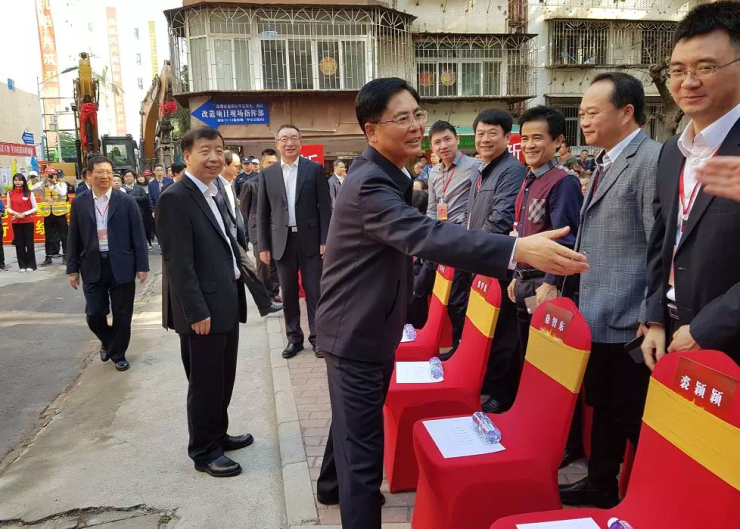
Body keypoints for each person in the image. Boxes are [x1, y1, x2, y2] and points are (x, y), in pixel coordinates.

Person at [314, 77, 589, 529]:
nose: (415, 126)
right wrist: (516, 249)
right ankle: (348, 499)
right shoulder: (369, 183)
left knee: (352, 423)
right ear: (371, 130)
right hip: (355, 333)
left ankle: (329, 485)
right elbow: (426, 235)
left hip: (368, 326)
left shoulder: (390, 174)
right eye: (401, 118)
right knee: (363, 456)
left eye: (417, 115)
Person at [559, 72, 660, 509]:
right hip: (597, 309)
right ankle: (600, 483)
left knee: (631, 412)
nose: (583, 120)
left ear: (626, 111)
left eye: (591, 112)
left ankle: (654, 497)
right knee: (601, 404)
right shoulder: (603, 161)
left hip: (630, 317)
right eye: (581, 113)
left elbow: (658, 244)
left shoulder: (650, 159)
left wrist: (651, 313)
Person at [642, 1, 740, 368]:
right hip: (671, 333)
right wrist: (654, 317)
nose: (688, 82)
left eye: (706, 67)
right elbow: (662, 240)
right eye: (678, 70)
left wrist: (707, 328)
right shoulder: (672, 151)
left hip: (728, 343)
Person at [156, 127, 252, 478]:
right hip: (202, 311)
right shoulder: (175, 198)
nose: (215, 157)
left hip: (225, 300)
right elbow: (178, 264)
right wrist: (196, 311)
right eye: (205, 151)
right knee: (205, 382)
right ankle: (203, 450)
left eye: (219, 150)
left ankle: (218, 434)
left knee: (223, 377)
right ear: (186, 156)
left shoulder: (215, 191)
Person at [508, 106, 583, 352]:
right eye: (525, 138)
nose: (529, 145)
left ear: (558, 141)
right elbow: (522, 231)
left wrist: (551, 283)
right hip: (524, 281)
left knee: (544, 352)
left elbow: (567, 238)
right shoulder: (529, 179)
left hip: (543, 283)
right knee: (525, 348)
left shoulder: (563, 181)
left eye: (537, 138)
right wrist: (516, 275)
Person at [467, 109, 527, 414]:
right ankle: (489, 384)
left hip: (498, 264)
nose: (485, 139)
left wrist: (468, 248)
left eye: (492, 133)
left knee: (503, 333)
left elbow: (501, 219)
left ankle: (503, 395)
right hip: (481, 261)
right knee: (487, 329)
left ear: (507, 137)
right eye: (480, 133)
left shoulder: (511, 171)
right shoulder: (483, 170)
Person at [66, 156, 149, 373]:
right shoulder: (79, 202)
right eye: (100, 172)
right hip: (92, 264)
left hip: (122, 264)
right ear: (89, 175)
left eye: (109, 172)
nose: (105, 176)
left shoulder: (126, 201)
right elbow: (73, 237)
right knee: (94, 314)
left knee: (122, 314)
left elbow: (138, 235)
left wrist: (142, 265)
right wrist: (72, 269)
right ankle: (108, 340)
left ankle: (118, 354)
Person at [257, 124, 332, 359]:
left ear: (300, 142)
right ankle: (294, 338)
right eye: (284, 139)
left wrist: (325, 239)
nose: (289, 143)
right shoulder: (267, 174)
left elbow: (325, 208)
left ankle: (318, 338)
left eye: (294, 138)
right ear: (277, 144)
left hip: (310, 240)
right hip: (282, 241)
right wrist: (263, 245)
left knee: (315, 291)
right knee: (288, 292)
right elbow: (262, 212)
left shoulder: (314, 169)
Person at [425, 120, 482, 353]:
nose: (443, 145)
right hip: (442, 241)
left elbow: (478, 205)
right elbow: (432, 208)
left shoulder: (475, 167)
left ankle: (463, 348)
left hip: (463, 240)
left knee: (459, 297)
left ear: (457, 139)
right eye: (437, 142)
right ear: (431, 147)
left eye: (447, 139)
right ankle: (460, 345)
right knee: (448, 296)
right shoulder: (433, 173)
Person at [217, 149, 282, 317]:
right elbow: (243, 211)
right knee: (256, 267)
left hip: (265, 232)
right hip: (242, 233)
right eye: (236, 166)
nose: (239, 169)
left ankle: (268, 299)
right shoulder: (243, 184)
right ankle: (265, 300)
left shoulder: (229, 184)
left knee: (256, 268)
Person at [240, 150, 282, 303]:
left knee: (275, 262)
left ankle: (274, 291)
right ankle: (265, 295)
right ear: (262, 164)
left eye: (274, 163)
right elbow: (244, 209)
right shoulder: (250, 184)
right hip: (258, 229)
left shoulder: (280, 183)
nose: (272, 165)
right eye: (269, 162)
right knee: (263, 263)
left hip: (276, 229)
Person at [33, 168, 69, 266]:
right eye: (49, 175)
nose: (51, 177)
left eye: (52, 175)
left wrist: (55, 183)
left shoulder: (62, 184)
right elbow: (33, 189)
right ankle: (48, 257)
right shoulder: (44, 185)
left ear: (56, 175)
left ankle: (66, 256)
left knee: (64, 236)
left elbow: (63, 193)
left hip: (60, 214)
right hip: (48, 214)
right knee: (48, 237)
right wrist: (43, 181)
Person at [5, 173, 38, 272]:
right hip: (16, 221)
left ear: (23, 181)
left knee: (29, 243)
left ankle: (31, 265)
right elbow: (8, 207)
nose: (18, 182)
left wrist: (25, 213)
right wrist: (15, 213)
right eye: (15, 180)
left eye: (20, 180)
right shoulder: (10, 193)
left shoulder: (29, 193)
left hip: (27, 220)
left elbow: (35, 208)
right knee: (19, 244)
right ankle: (22, 265)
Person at [132, 173, 154, 248]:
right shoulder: (135, 187)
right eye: (139, 177)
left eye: (142, 177)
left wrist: (134, 198)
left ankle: (152, 241)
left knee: (150, 226)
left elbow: (146, 198)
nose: (140, 178)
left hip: (148, 209)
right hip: (140, 209)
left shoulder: (150, 185)